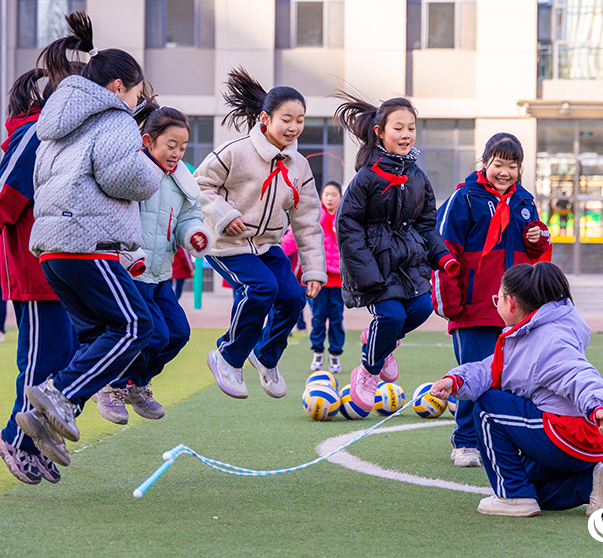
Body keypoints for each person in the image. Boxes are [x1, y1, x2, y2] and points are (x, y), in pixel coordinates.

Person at [14, 11, 161, 459]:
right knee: (136, 325)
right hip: (89, 244)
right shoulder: (114, 118)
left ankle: (48, 417)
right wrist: (151, 167)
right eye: (137, 93)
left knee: (99, 333)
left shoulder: (56, 124)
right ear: (118, 88)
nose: (137, 102)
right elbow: (122, 178)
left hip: (53, 248)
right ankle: (58, 394)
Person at [0, 67, 79, 484]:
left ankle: (33, 438)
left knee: (65, 360)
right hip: (37, 271)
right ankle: (14, 438)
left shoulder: (66, 136)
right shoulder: (35, 134)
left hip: (67, 270)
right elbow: (2, 195)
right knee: (42, 363)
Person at [429, 262, 603, 518]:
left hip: (569, 434)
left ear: (511, 302)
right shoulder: (533, 334)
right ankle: (591, 485)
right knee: (531, 485)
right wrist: (456, 380)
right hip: (583, 443)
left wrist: (598, 405)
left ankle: (512, 497)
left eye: (497, 298)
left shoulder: (548, 339)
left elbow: (577, 373)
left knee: (487, 407)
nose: (495, 303)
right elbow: (492, 369)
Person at [195, 67, 326, 400]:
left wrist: (313, 269)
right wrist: (224, 215)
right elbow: (198, 184)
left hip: (266, 246)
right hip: (226, 243)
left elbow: (308, 220)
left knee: (295, 297)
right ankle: (227, 355)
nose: (294, 127)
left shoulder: (299, 166)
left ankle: (266, 356)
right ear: (265, 119)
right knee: (261, 288)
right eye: (287, 119)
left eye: (300, 120)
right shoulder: (236, 152)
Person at [333, 92, 459, 411]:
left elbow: (426, 225)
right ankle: (368, 371)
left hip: (409, 266)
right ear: (380, 132)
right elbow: (347, 226)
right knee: (390, 314)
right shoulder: (366, 178)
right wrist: (365, 275)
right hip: (375, 268)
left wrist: (442, 256)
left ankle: (384, 342)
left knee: (420, 309)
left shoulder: (417, 177)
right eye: (398, 128)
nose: (405, 135)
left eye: (411, 128)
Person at [433, 132, 551, 468]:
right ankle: (466, 440)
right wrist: (451, 303)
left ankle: (506, 440)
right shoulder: (464, 198)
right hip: (476, 306)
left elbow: (533, 254)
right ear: (485, 163)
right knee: (473, 374)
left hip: (517, 311)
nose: (505, 172)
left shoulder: (524, 201)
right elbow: (443, 250)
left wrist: (537, 239)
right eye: (499, 164)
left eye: (512, 166)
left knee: (516, 378)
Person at [92, 105, 210, 425]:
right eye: (170, 145)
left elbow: (189, 218)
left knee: (178, 333)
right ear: (148, 141)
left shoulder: (182, 179)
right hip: (131, 272)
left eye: (183, 147)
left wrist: (194, 235)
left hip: (160, 274)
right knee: (153, 335)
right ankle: (110, 385)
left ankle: (136, 384)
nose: (177, 153)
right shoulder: (133, 172)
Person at [284, 181, 345, 373]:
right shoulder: (314, 216)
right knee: (318, 317)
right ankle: (318, 353)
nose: (329, 198)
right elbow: (295, 236)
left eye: (334, 194)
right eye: (326, 194)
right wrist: (278, 252)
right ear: (321, 197)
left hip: (339, 280)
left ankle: (334, 355)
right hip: (317, 278)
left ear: (340, 197)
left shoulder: (346, 218)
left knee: (336, 318)